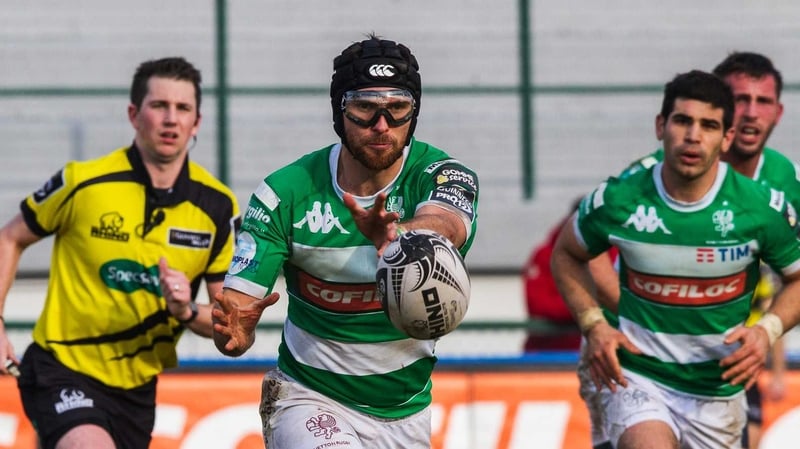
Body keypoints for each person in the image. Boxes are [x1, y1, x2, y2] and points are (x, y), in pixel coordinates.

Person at [211, 34, 479, 449]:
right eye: (364, 109)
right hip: (309, 399)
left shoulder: (444, 174)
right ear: (339, 112)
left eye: (398, 109)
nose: (381, 126)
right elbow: (236, 317)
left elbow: (445, 223)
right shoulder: (285, 193)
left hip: (407, 411)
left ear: (415, 112)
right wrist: (235, 335)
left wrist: (398, 238)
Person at [0, 57, 241, 449]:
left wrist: (184, 311)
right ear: (134, 114)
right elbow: (9, 238)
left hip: (137, 390)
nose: (170, 119)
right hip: (61, 367)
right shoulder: (83, 181)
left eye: (183, 109)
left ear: (197, 123)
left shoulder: (217, 207)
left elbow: (228, 331)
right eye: (159, 106)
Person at [552, 69, 800, 449]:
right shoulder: (621, 198)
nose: (693, 136)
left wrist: (767, 331)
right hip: (637, 374)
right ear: (660, 126)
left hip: (717, 389)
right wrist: (594, 324)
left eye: (709, 125)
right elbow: (567, 253)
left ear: (726, 137)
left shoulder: (761, 208)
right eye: (682, 121)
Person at [522, 197, 617, 352]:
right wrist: (588, 308)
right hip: (550, 354)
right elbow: (539, 305)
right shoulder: (545, 254)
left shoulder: (614, 252)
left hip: (602, 351)